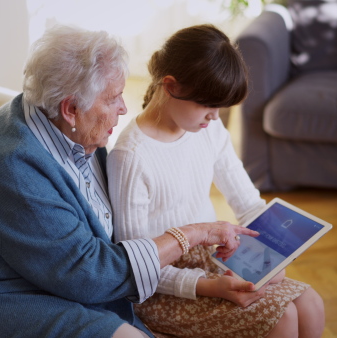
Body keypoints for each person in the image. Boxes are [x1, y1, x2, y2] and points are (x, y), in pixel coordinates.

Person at [0, 25, 259, 338]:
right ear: (71, 108)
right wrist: (191, 234)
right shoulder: (12, 165)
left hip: (45, 277)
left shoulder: (72, 128)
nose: (123, 108)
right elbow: (89, 273)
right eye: (114, 98)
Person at [108, 24, 325, 337]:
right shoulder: (131, 156)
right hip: (162, 286)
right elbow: (139, 265)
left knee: (311, 304)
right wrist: (209, 286)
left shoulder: (207, 130)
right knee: (283, 318)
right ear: (171, 85)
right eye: (208, 106)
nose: (214, 118)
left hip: (213, 258)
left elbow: (247, 202)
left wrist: (275, 250)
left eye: (220, 109)